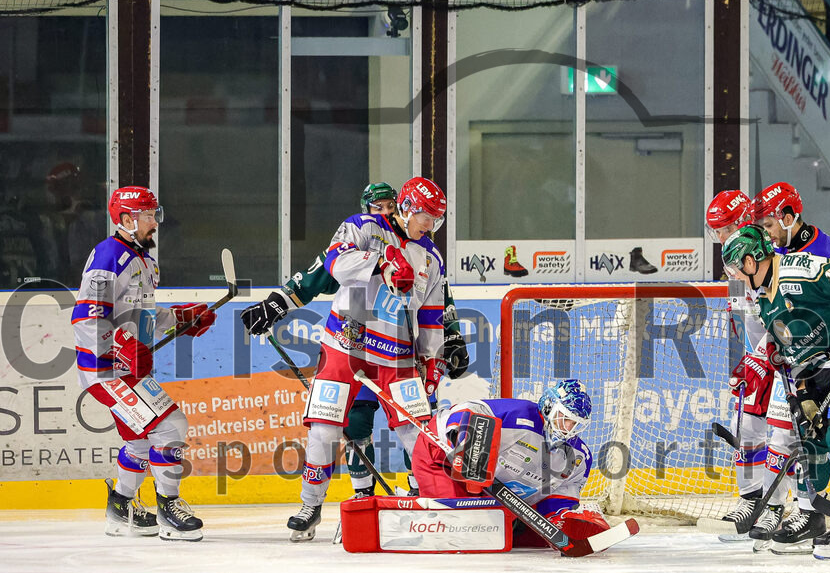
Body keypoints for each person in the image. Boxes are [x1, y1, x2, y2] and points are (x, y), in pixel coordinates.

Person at [240, 182, 470, 499]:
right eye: (378, 207)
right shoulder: (362, 233)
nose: (385, 211)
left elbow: (437, 301)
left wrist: (450, 339)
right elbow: (320, 272)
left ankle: (422, 491)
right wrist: (276, 303)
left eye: (389, 204)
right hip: (353, 347)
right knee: (354, 422)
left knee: (415, 423)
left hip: (398, 355)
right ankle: (363, 494)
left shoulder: (427, 254)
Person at [282, 177, 449, 541]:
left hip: (397, 355)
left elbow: (431, 314)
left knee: (417, 430)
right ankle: (310, 506)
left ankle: (436, 503)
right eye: (426, 216)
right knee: (324, 429)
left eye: (436, 219)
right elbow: (334, 263)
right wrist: (382, 260)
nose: (430, 225)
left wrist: (432, 359)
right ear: (407, 207)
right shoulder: (364, 226)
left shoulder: (431, 258)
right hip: (345, 345)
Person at [722, 226, 830, 559]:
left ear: (751, 261)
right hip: (820, 369)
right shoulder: (765, 303)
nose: (734, 276)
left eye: (735, 268)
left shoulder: (797, 268)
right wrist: (802, 395)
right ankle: (814, 518)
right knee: (810, 439)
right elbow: (794, 353)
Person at [73, 186, 215, 540]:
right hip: (105, 370)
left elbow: (142, 315)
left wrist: (182, 319)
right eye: (148, 216)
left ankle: (121, 510)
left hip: (127, 368)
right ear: (125, 219)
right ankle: (169, 510)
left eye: (155, 214)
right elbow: (87, 318)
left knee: (139, 441)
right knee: (171, 426)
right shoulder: (108, 256)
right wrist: (121, 346)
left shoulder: (145, 261)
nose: (155, 222)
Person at [411, 378, 610, 549]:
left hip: (490, 489)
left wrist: (565, 522)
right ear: (550, 406)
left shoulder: (578, 457)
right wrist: (466, 441)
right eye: (564, 418)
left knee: (518, 539)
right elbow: (468, 409)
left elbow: (560, 497)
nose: (568, 428)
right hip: (441, 458)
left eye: (575, 424)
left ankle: (513, 525)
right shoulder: (518, 415)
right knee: (456, 532)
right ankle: (419, 508)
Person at [700, 189, 773, 543]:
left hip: (786, 353)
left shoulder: (767, 256)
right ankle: (752, 502)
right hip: (760, 357)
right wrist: (749, 359)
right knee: (744, 427)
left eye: (726, 228)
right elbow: (746, 318)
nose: (721, 237)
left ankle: (800, 507)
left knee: (791, 434)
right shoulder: (734, 261)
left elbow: (782, 314)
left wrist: (761, 355)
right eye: (716, 231)